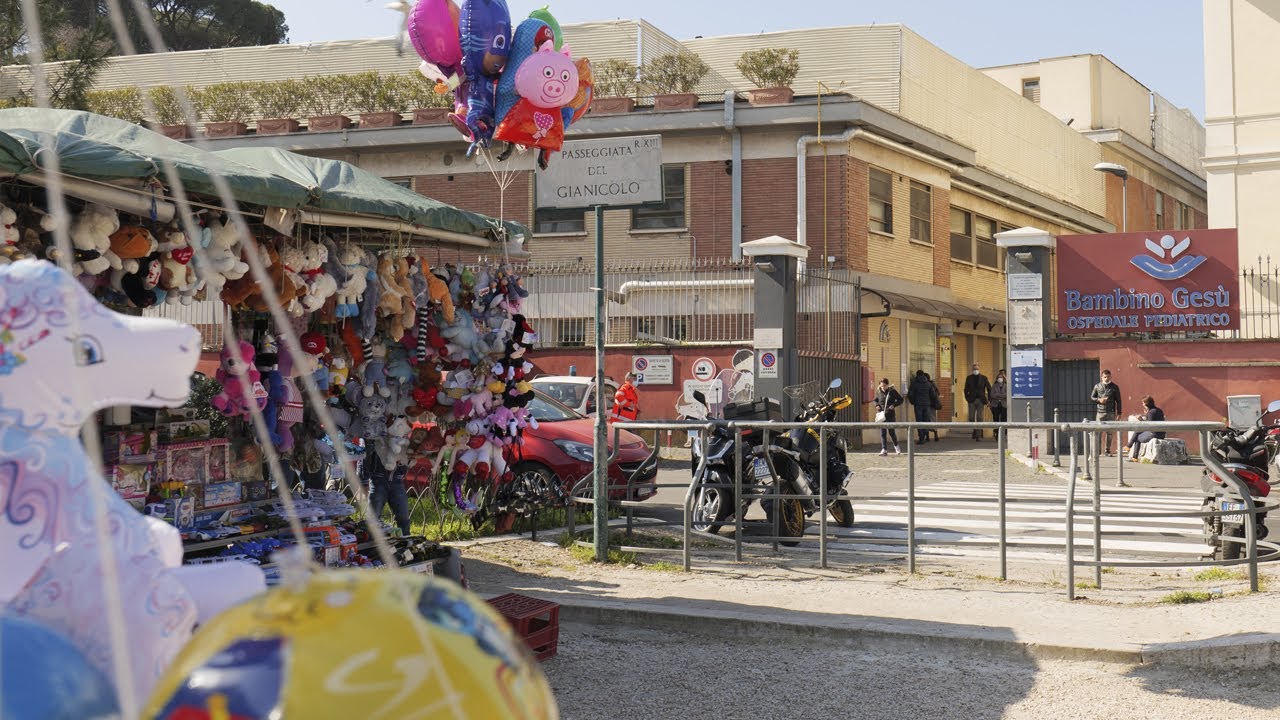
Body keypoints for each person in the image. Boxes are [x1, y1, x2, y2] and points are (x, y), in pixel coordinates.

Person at [362, 441, 411, 536]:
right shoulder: (376, 437)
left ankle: (406, 540)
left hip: (397, 481)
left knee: (403, 515)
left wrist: (404, 466)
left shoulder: (402, 439)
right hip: (378, 480)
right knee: (374, 516)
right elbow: (364, 457)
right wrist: (363, 480)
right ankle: (371, 542)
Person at [1090, 368, 1122, 456]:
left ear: (1111, 376)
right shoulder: (1097, 386)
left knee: (1110, 432)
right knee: (1098, 432)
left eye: (1108, 376)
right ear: (1102, 377)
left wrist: (1119, 413)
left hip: (1111, 412)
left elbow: (1118, 401)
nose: (1106, 378)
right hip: (1100, 412)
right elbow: (1092, 397)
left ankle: (1107, 451)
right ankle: (1097, 451)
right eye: (1105, 377)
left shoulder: (1115, 387)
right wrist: (1099, 400)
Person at [1126, 395, 1166, 460]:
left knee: (1137, 436)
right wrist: (1147, 414)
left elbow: (1148, 425)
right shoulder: (1158, 410)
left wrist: (1141, 419)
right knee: (1138, 432)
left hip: (1155, 434)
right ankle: (1130, 450)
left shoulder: (1151, 412)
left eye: (1143, 403)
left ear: (1146, 403)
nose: (1142, 404)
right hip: (1161, 434)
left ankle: (1131, 450)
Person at [874, 378, 903, 456]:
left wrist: (894, 405)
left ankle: (897, 448)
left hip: (890, 414)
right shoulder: (879, 392)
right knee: (883, 433)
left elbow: (900, 399)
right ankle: (884, 449)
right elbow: (875, 400)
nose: (883, 388)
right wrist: (876, 405)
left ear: (887, 385)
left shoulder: (892, 391)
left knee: (891, 432)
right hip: (881, 415)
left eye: (884, 386)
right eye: (881, 386)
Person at [963, 363, 992, 440]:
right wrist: (967, 398)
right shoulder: (969, 378)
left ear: (979, 369)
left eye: (977, 369)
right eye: (974, 369)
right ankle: (974, 430)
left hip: (981, 400)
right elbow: (966, 389)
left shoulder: (983, 378)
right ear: (972, 370)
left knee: (980, 417)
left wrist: (989, 400)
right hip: (972, 400)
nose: (975, 370)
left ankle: (978, 435)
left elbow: (989, 389)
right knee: (971, 418)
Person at [907, 370, 934, 444]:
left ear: (917, 375)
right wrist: (930, 402)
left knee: (919, 421)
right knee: (925, 420)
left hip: (918, 405)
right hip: (927, 405)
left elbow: (910, 394)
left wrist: (913, 402)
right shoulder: (928, 384)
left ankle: (921, 438)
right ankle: (925, 435)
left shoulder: (914, 384)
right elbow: (933, 395)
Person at [925, 373, 942, 441]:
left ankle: (928, 436)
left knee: (927, 420)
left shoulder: (928, 385)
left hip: (929, 404)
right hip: (933, 405)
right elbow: (938, 393)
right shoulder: (933, 384)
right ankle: (935, 434)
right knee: (933, 419)